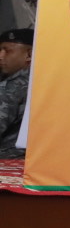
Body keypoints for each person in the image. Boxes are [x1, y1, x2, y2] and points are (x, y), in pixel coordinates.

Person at [0, 29, 31, 159]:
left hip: (8, 159)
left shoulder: (14, 86)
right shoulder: (44, 82)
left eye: (8, 51)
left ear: (29, 55)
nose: (1, 56)